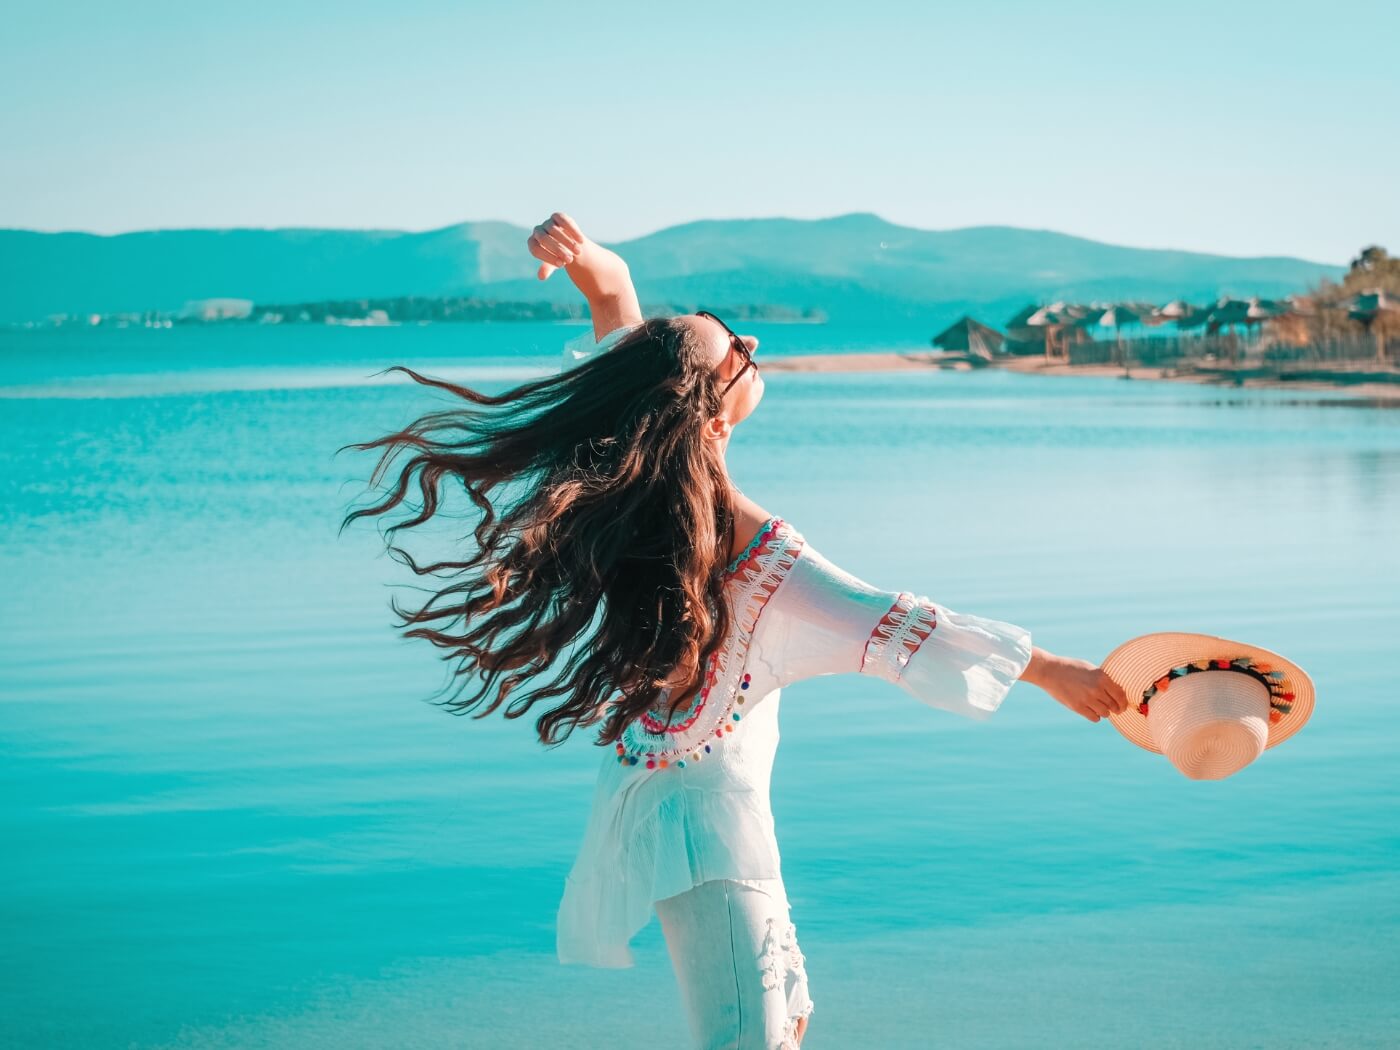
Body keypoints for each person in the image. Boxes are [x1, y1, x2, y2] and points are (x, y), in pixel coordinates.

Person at [342, 212, 1131, 1050]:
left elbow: (617, 309)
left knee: (781, 1029)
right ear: (711, 415)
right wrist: (1048, 669)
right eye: (737, 350)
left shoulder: (650, 491)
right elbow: (894, 621)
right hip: (713, 839)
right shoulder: (761, 554)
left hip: (687, 815)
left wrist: (588, 258)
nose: (751, 340)